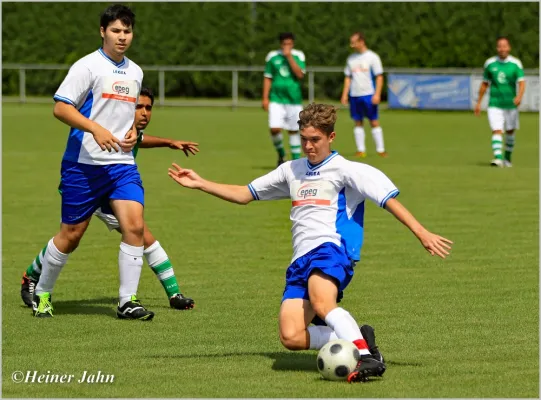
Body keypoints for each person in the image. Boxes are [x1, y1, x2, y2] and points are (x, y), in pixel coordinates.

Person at [168, 103, 453, 382]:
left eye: (315, 140)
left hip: (332, 249)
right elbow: (245, 193)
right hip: (299, 260)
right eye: (304, 139)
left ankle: (368, 357)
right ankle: (357, 338)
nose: (308, 146)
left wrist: (421, 232)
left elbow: (388, 200)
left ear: (331, 137)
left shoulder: (347, 170)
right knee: (290, 336)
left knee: (321, 302)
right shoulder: (291, 170)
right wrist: (201, 183)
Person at [21, 88, 198, 311]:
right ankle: (31, 277)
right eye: (138, 107)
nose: (144, 113)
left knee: (140, 234)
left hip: (114, 193)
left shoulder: (130, 131)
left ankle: (174, 295)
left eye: (148, 108)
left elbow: (139, 140)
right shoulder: (110, 123)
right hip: (89, 187)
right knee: (70, 236)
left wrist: (169, 142)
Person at [30, 4, 155, 320]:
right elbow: (61, 108)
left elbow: (126, 117)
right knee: (71, 235)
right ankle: (42, 293)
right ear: (103, 32)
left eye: (127, 31)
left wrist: (129, 133)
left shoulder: (135, 72)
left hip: (121, 164)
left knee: (135, 226)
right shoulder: (86, 67)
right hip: (82, 164)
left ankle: (128, 301)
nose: (122, 37)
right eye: (116, 30)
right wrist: (95, 128)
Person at [474, 36, 525, 167]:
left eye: (504, 46)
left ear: (509, 48)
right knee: (497, 130)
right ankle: (498, 158)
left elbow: (522, 82)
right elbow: (485, 84)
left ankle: (507, 158)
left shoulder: (515, 64)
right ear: (497, 48)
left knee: (510, 132)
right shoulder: (490, 63)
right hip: (494, 103)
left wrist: (519, 96)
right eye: (499, 46)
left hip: (510, 104)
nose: (502, 49)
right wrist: (479, 102)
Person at [340, 31, 387, 158]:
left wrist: (377, 94)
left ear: (361, 42)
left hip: (368, 94)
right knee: (357, 121)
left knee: (373, 121)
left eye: (354, 42)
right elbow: (348, 77)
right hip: (354, 94)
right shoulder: (351, 59)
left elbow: (379, 77)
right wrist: (345, 94)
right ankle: (361, 150)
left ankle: (381, 150)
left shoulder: (372, 57)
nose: (351, 45)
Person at [262, 32, 306, 166]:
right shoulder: (272, 56)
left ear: (293, 44)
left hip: (293, 99)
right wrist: (265, 98)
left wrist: (289, 57)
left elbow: (299, 74)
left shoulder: (299, 55)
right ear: (281, 44)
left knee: (294, 130)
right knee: (274, 128)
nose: (287, 46)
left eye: (290, 44)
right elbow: (268, 77)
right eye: (285, 44)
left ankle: (296, 162)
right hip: (276, 99)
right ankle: (281, 154)